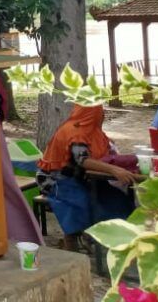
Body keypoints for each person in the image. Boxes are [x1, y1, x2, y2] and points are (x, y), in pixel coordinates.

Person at [37, 104, 141, 248]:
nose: (103, 115)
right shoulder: (75, 131)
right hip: (56, 178)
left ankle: (111, 234)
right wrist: (114, 170)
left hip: (82, 177)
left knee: (115, 199)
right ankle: (71, 238)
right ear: (90, 113)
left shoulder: (94, 132)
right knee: (82, 201)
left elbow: (105, 156)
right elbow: (83, 160)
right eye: (100, 112)